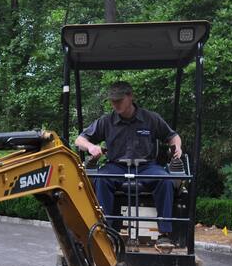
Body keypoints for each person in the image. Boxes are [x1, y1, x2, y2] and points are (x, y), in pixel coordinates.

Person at [74, 81, 182, 247]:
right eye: (112, 101)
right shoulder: (106, 121)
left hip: (146, 167)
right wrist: (91, 146)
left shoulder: (150, 118)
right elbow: (79, 139)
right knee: (101, 179)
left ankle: (164, 234)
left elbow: (173, 136)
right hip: (116, 166)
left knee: (165, 179)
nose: (115, 104)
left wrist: (178, 148)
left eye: (119, 100)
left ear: (130, 96)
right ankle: (107, 232)